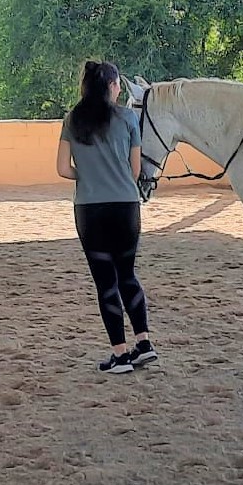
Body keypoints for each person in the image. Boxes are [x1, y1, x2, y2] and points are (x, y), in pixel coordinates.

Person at [57, 61, 158, 375]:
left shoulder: (72, 120)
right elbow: (136, 170)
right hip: (126, 207)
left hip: (90, 209)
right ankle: (144, 343)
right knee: (127, 275)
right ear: (112, 86)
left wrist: (86, 174)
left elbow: (62, 168)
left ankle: (120, 354)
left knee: (106, 282)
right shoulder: (128, 117)